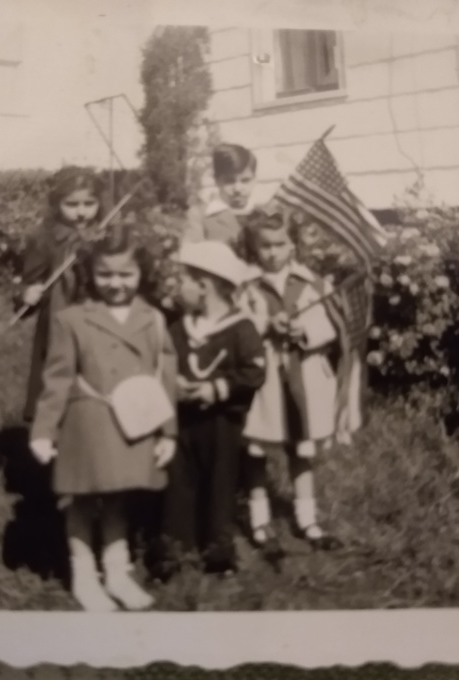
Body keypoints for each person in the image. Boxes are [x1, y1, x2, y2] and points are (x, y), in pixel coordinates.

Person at [29, 222, 178, 612]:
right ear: (90, 273)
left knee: (117, 499)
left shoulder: (152, 319)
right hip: (88, 423)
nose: (115, 283)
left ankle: (116, 572)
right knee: (81, 500)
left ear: (142, 272)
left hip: (134, 423)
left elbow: (164, 379)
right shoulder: (73, 319)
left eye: (125, 274)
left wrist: (168, 432)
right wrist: (44, 431)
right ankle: (83, 574)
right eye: (105, 274)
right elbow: (57, 379)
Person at [156, 241, 266, 580]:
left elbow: (254, 372)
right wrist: (173, 382)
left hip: (222, 422)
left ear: (203, 287)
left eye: (182, 280)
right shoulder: (179, 328)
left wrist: (215, 388)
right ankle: (174, 548)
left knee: (220, 483)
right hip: (184, 421)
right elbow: (164, 361)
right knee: (178, 480)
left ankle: (218, 552)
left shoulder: (241, 329)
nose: (176, 287)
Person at [238, 210, 343, 554]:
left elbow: (330, 325)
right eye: (264, 246)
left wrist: (305, 331)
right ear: (254, 247)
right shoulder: (245, 286)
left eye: (279, 244)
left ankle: (306, 519)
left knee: (301, 447)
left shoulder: (312, 283)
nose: (272, 252)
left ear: (292, 245)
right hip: (265, 378)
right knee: (256, 448)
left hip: (302, 378)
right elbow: (237, 325)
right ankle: (259, 520)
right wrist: (265, 325)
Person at [20, 167, 105, 423]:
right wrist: (27, 294)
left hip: (98, 317)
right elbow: (32, 280)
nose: (81, 212)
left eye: (89, 204)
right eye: (72, 204)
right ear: (57, 204)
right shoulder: (46, 239)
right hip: (59, 319)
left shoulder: (104, 233)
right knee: (59, 377)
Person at [185, 144, 268, 254]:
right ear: (217, 181)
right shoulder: (199, 216)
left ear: (255, 180)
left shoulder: (266, 214)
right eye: (229, 181)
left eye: (245, 180)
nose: (238, 189)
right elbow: (193, 258)